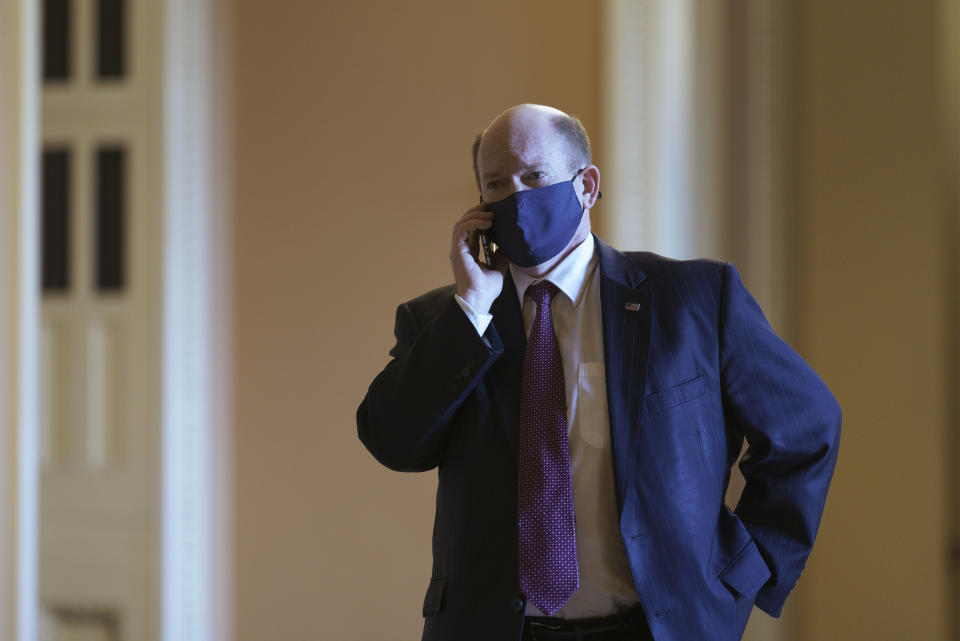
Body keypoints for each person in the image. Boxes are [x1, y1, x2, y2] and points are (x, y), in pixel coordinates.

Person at [357, 104, 841, 641]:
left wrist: (745, 573)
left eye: (534, 176)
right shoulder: (443, 321)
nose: (515, 196)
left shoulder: (696, 300)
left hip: (657, 628)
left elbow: (807, 426)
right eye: (495, 184)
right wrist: (470, 309)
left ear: (586, 185)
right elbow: (393, 441)